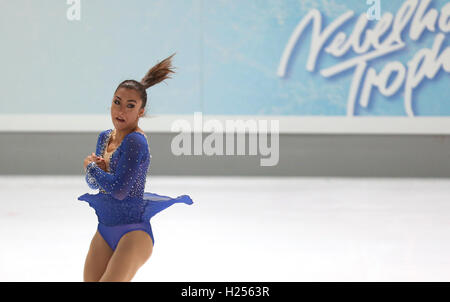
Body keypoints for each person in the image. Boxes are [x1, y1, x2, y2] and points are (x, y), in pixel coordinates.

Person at [78, 53, 194, 282]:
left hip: (133, 233)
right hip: (105, 229)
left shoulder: (135, 141)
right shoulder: (105, 137)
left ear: (140, 112)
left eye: (130, 106)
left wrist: (92, 168)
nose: (121, 111)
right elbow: (96, 185)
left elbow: (120, 190)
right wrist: (95, 170)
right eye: (117, 102)